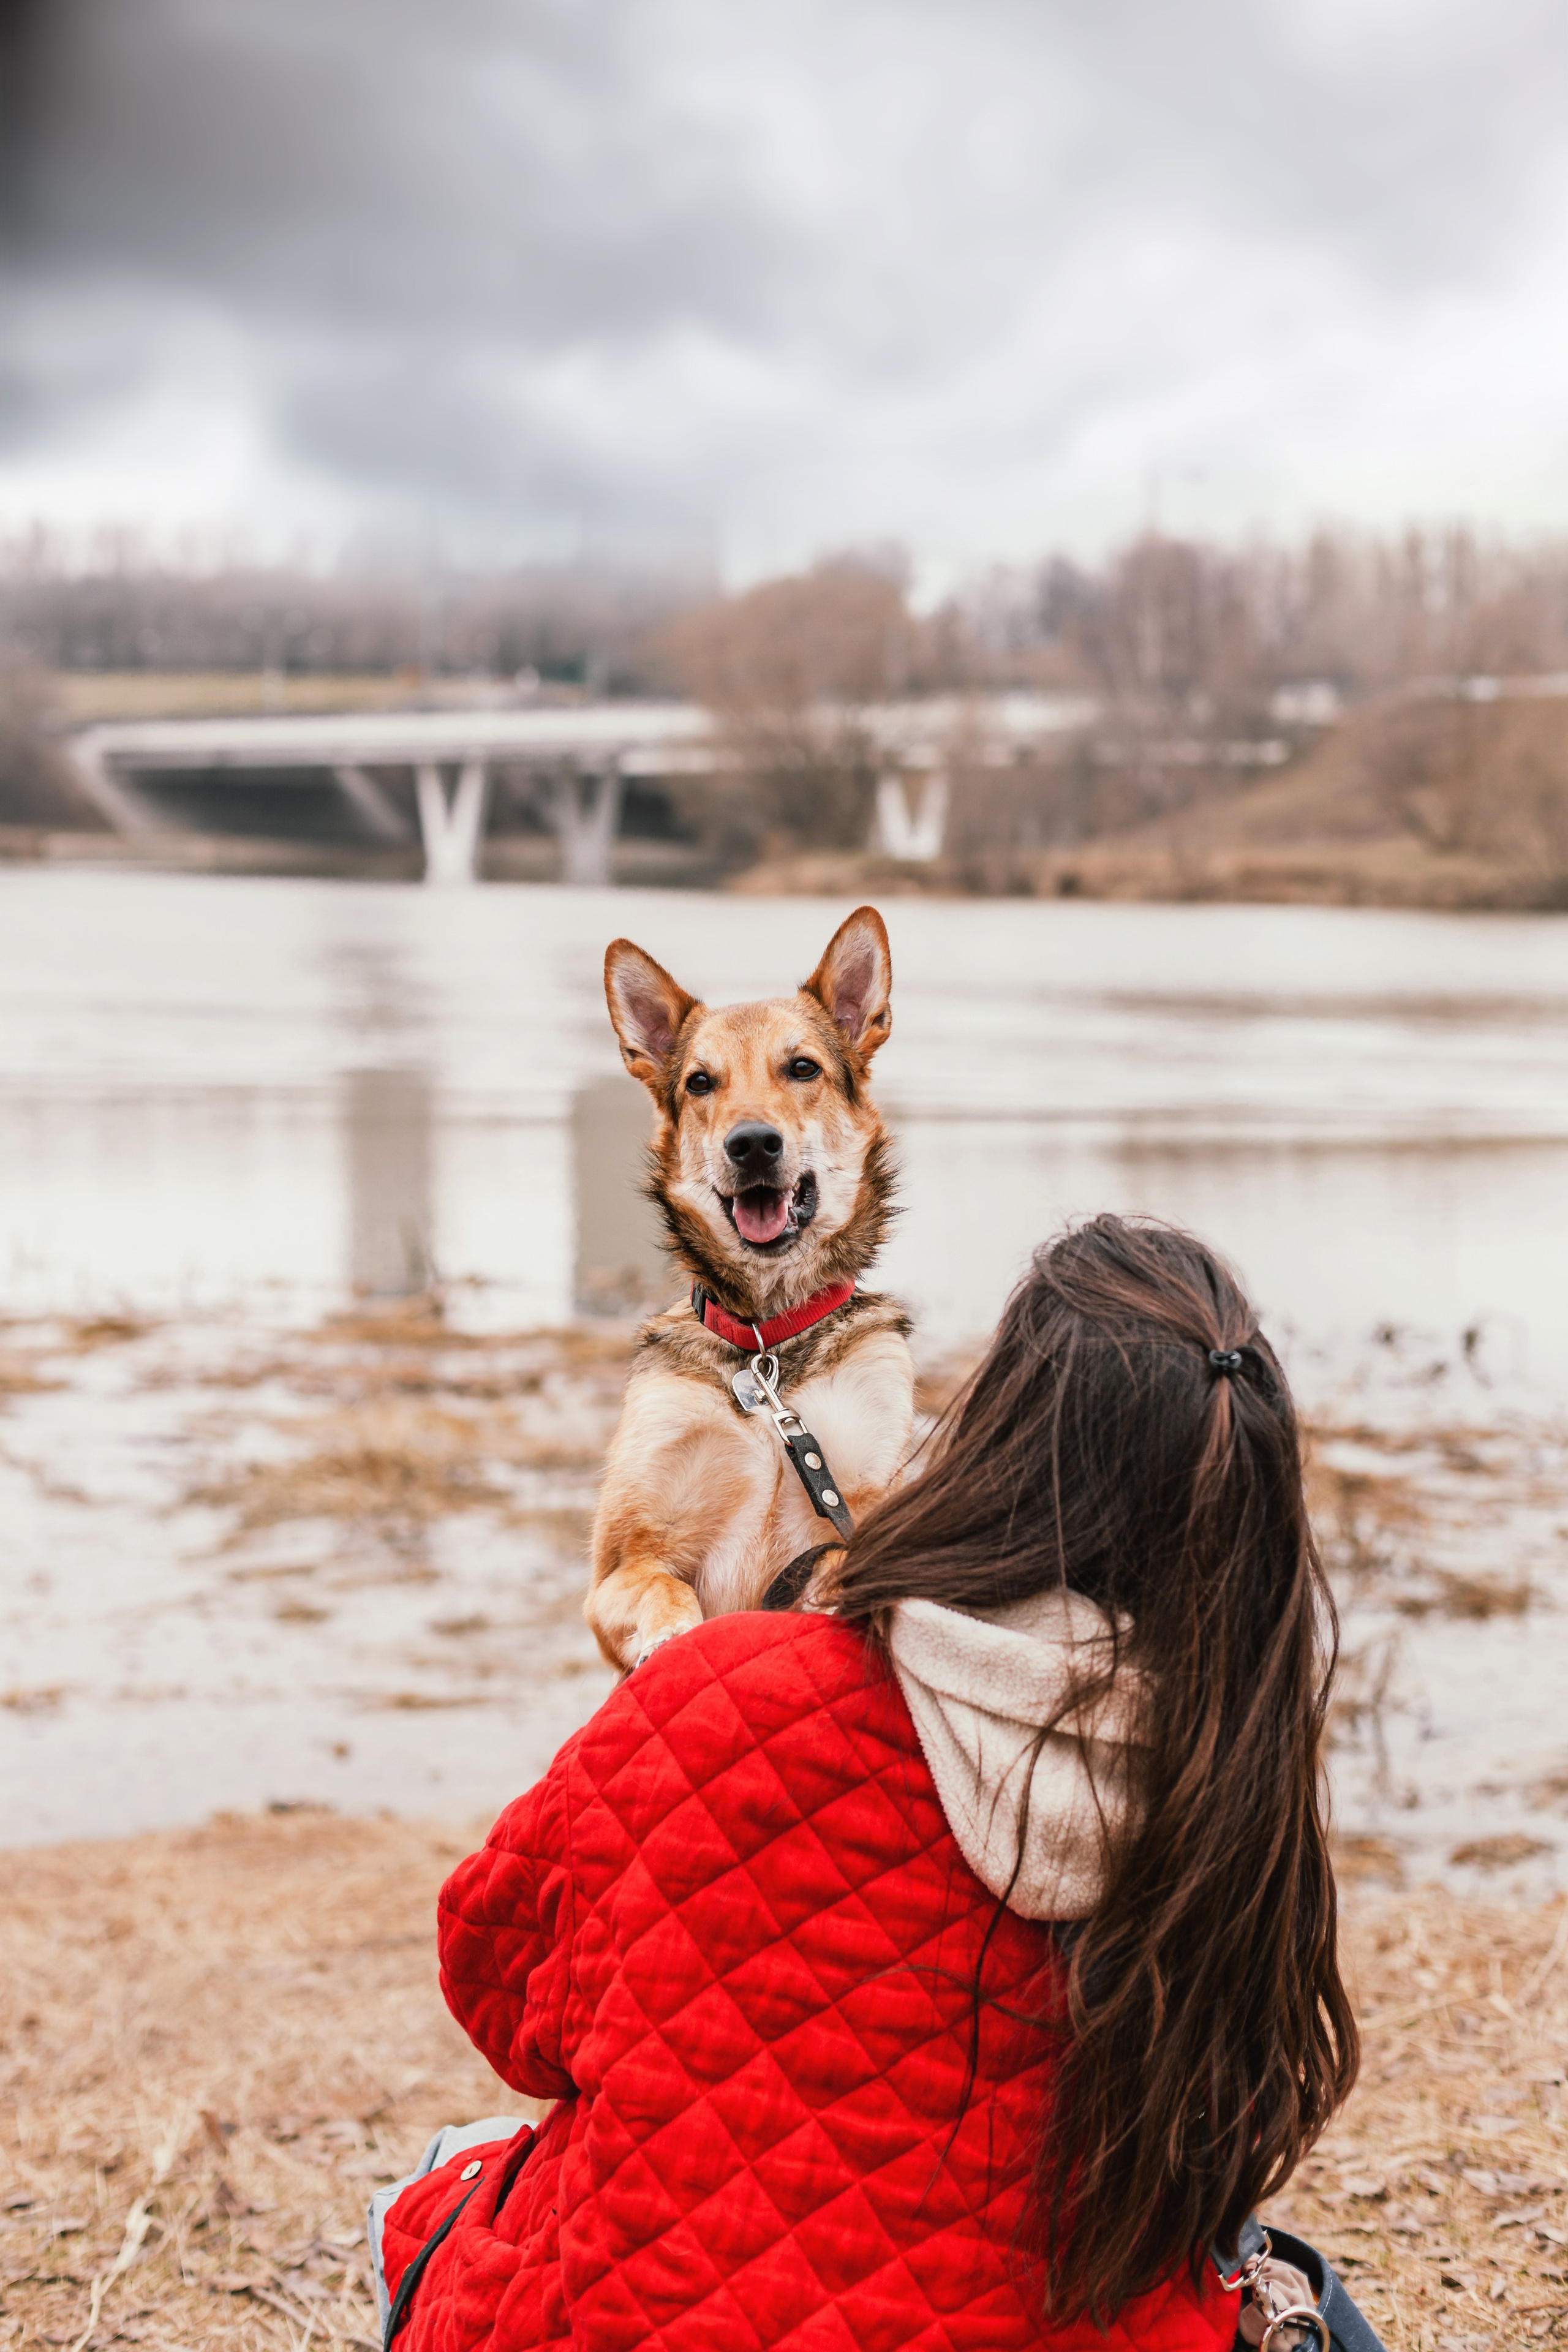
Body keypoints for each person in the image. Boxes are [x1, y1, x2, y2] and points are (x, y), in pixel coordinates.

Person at [378, 1215, 1359, 2350]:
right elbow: (1224, 2145)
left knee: (446, 2172)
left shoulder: (726, 1680)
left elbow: (503, 1995)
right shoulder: (1234, 1784)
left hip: (629, 2317)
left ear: (999, 1438)